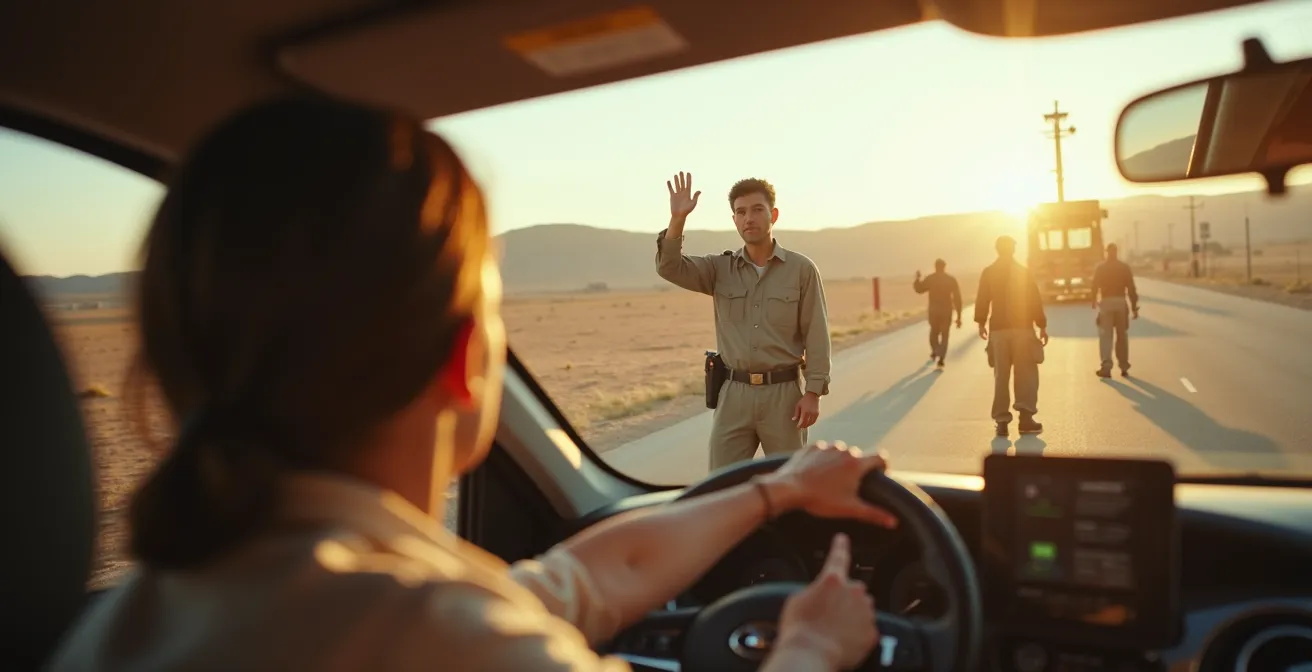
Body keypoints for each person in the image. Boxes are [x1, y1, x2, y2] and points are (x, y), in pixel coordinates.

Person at [48, 96, 895, 672]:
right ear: (464, 360)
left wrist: (770, 497)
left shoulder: (116, 625)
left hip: (781, 400)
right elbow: (500, 616)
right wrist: (811, 649)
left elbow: (573, 585)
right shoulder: (439, 636)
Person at [656, 172, 832, 470]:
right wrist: (678, 219)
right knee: (721, 486)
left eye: (757, 210)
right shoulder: (719, 269)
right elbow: (670, 267)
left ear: (773, 215)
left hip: (784, 396)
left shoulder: (801, 270)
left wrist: (813, 392)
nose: (748, 218)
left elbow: (817, 333)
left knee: (790, 484)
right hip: (733, 395)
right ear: (734, 220)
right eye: (740, 212)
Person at [974, 236, 1048, 437]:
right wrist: (1041, 325)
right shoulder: (1023, 272)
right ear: (1013, 250)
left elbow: (982, 299)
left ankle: (1002, 422)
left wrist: (981, 323)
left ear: (997, 250)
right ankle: (1025, 420)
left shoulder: (989, 272)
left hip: (998, 331)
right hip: (1022, 329)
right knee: (1026, 375)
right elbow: (1034, 299)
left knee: (1001, 376)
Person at [1091, 243, 1139, 378]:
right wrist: (1134, 307)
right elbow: (1131, 288)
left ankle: (1106, 367)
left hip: (1106, 302)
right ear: (1116, 252)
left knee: (1106, 336)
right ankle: (1124, 366)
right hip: (1120, 302)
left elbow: (1094, 285)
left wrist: (1093, 301)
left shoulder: (1101, 268)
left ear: (1107, 252)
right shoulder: (1124, 267)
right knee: (1122, 336)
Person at [913, 259, 963, 368]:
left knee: (934, 333)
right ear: (945, 267)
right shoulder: (950, 280)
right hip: (946, 311)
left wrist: (917, 279)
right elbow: (957, 298)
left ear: (935, 267)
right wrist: (959, 316)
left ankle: (936, 350)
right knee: (945, 335)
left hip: (934, 311)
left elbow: (919, 289)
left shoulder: (931, 279)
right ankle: (941, 357)